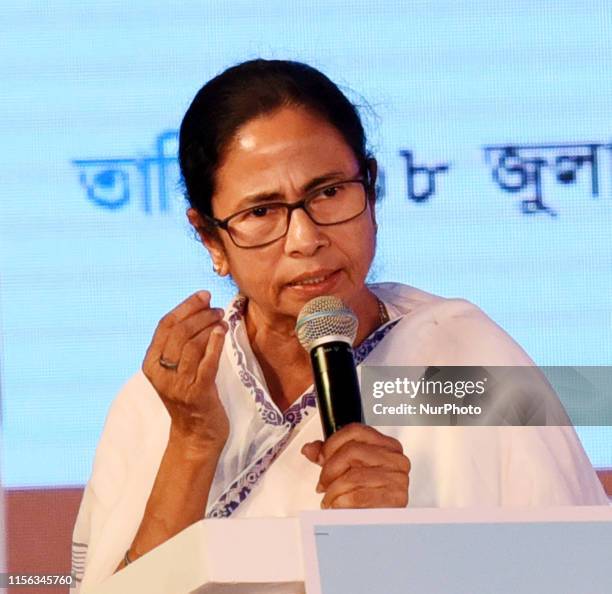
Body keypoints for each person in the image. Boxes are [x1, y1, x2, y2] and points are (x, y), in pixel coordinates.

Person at [71, 59, 608, 592]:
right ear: (211, 238)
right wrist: (192, 443)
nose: (305, 239)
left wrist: (405, 540)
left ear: (370, 187)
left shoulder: (463, 357)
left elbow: (575, 571)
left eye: (328, 193)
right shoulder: (166, 398)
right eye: (261, 213)